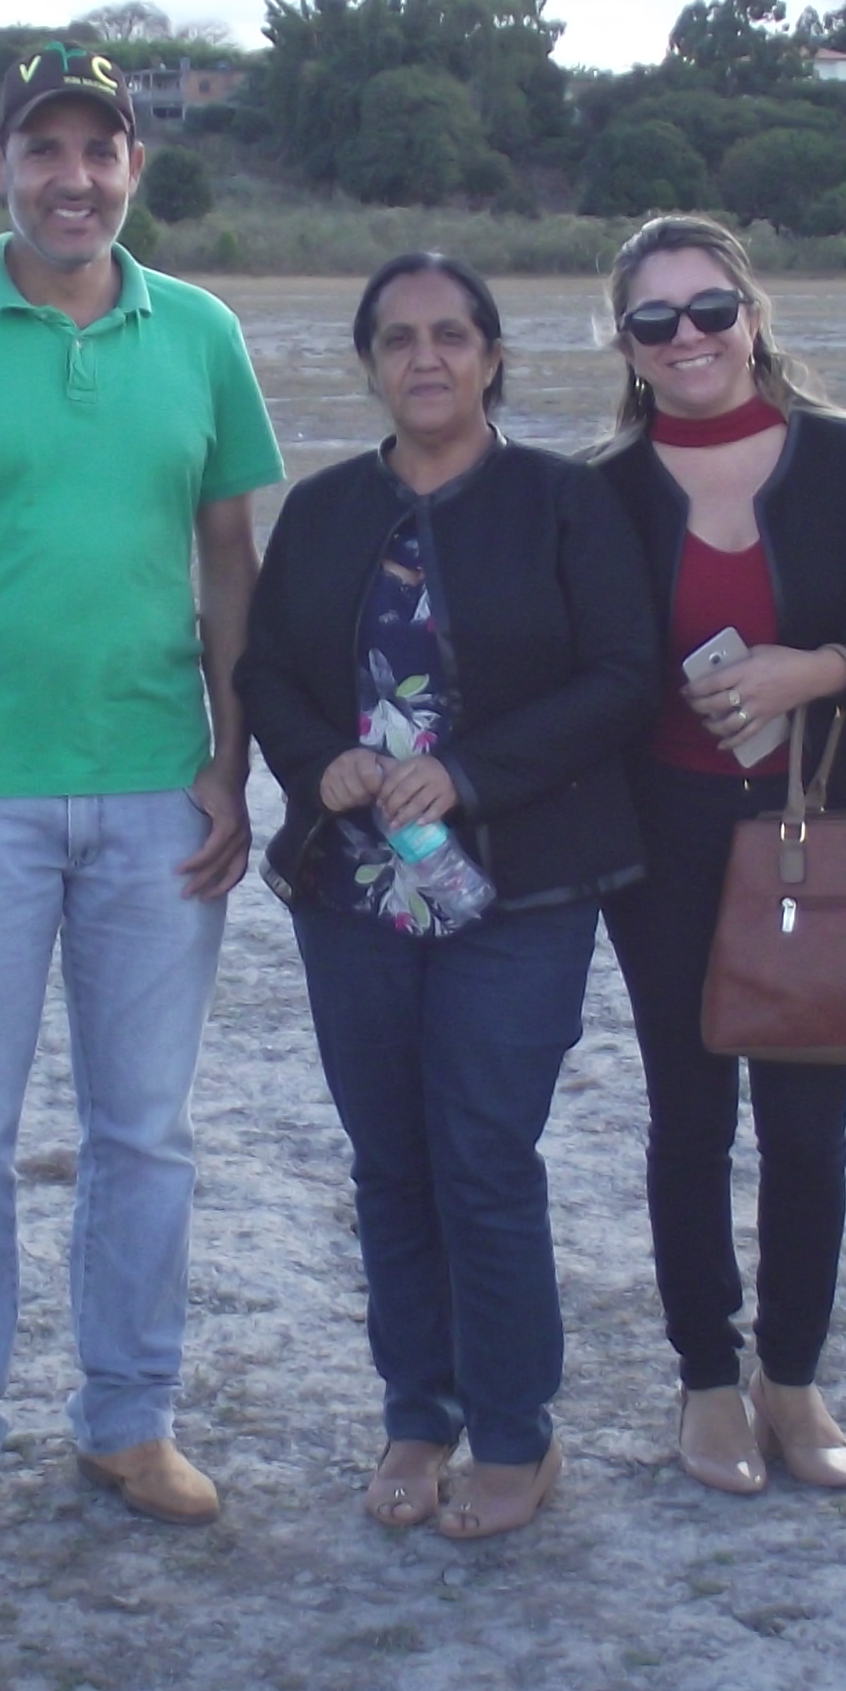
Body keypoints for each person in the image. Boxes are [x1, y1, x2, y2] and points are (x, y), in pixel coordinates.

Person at [0, 45, 283, 1551]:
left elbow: (229, 555)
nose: (74, 179)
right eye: (46, 151)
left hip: (159, 793)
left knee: (143, 1133)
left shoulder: (201, 331)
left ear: (135, 171)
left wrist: (230, 755)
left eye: (102, 152)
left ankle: (129, 1420)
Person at [239, 255, 655, 1540]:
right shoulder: (320, 511)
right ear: (368, 362)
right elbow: (265, 675)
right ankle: (416, 1413)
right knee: (388, 1165)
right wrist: (327, 765)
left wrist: (465, 776)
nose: (427, 358)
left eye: (453, 336)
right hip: (350, 888)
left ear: (491, 357)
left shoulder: (563, 503)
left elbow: (622, 675)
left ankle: (516, 1431)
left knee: (480, 1156)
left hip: (517, 890)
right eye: (399, 339)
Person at [587, 215, 846, 1495]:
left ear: (753, 315)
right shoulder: (599, 490)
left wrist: (815, 668)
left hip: (832, 841)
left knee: (807, 1127)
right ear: (627, 346)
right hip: (666, 842)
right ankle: (706, 1379)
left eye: (710, 310)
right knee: (688, 1122)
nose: (688, 338)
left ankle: (792, 1377)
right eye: (657, 320)